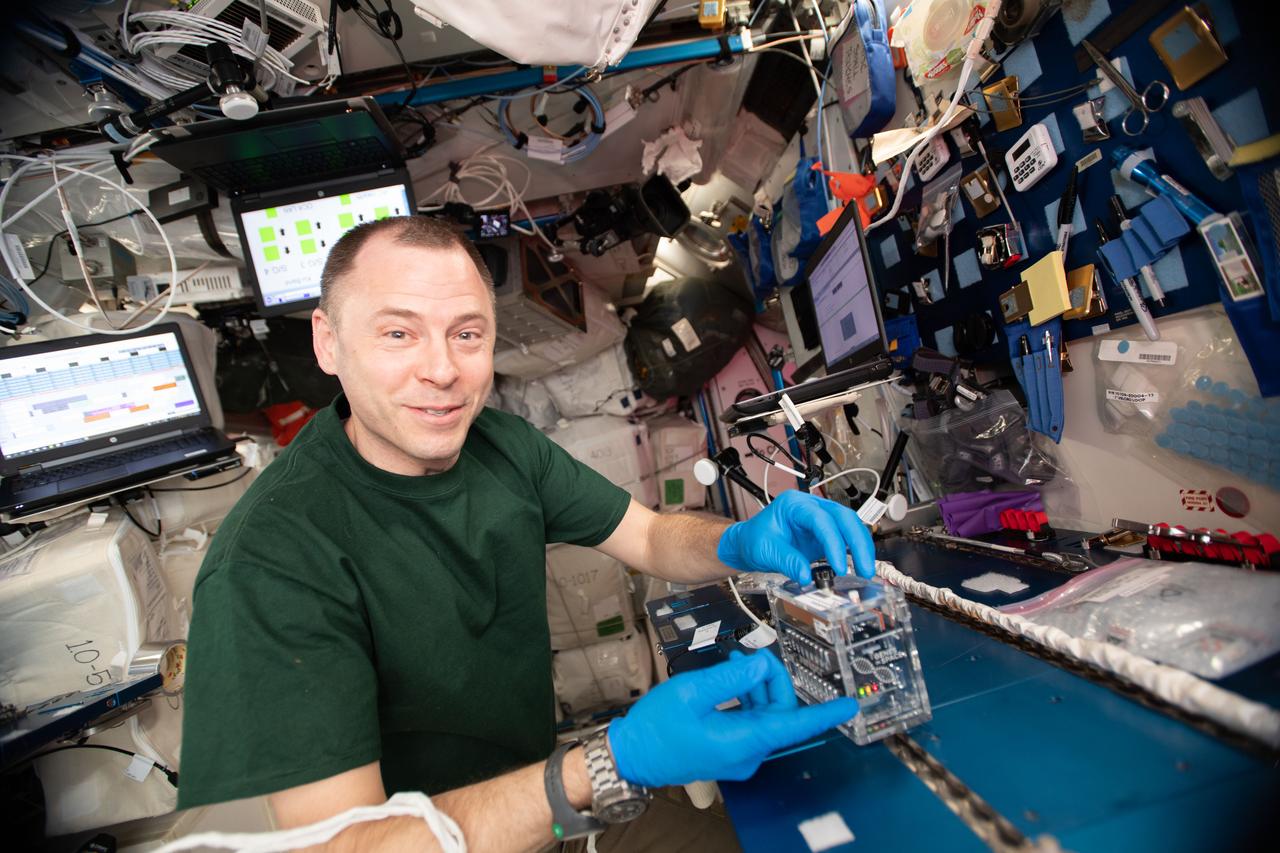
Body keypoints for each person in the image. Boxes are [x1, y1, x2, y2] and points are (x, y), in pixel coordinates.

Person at [178, 216, 875, 850]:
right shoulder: (271, 559)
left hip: (546, 810)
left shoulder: (500, 445)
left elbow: (653, 537)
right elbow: (345, 848)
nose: (442, 369)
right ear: (328, 342)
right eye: (398, 332)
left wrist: (738, 540)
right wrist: (608, 763)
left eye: (467, 333)